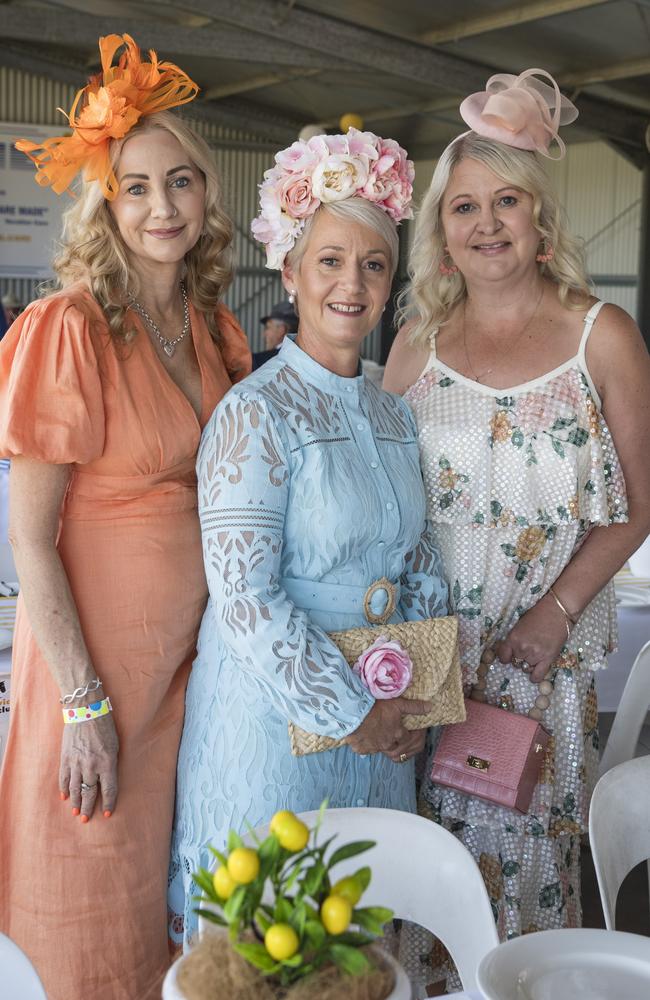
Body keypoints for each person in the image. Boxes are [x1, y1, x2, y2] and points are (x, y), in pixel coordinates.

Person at [384, 69, 650, 992]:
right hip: (423, 653)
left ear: (541, 220)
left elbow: (640, 504)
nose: (487, 222)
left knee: (521, 875)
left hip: (536, 660)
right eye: (464, 206)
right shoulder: (417, 337)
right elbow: (382, 499)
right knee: (411, 878)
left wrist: (552, 617)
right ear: (440, 228)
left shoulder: (601, 335)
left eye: (507, 201)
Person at [0, 34, 250, 1000]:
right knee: (84, 905)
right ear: (105, 201)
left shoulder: (214, 326)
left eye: (180, 183)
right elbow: (29, 538)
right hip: (94, 679)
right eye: (137, 186)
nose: (161, 207)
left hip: (189, 679)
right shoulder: (68, 327)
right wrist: (83, 703)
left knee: (165, 903)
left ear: (206, 197)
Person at [168, 127, 448, 946]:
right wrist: (354, 709)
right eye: (329, 260)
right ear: (289, 272)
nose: (351, 284)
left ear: (392, 280)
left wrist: (419, 700)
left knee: (358, 948)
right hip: (269, 729)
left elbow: (421, 563)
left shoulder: (394, 413)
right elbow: (245, 598)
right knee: (268, 952)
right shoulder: (253, 413)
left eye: (373, 263)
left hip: (385, 733)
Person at [253, 297, 298, 369]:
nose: (264, 335)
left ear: (281, 330)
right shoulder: (310, 360)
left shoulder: (260, 362)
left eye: (268, 327)